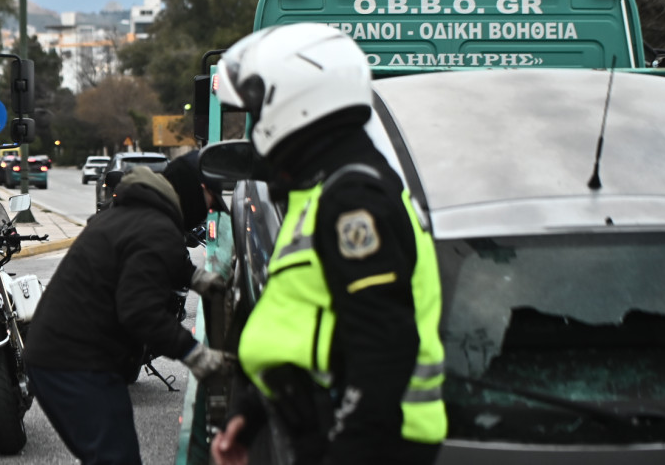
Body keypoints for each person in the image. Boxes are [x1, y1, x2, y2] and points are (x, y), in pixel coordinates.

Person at [210, 23, 446, 465]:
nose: (254, 127)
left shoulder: (353, 199)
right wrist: (250, 412)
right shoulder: (320, 191)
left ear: (295, 103)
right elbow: (303, 322)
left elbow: (383, 346)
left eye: (256, 112)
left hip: (372, 443)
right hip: (322, 427)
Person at [25, 151, 232, 465]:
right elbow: (140, 312)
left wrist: (195, 277)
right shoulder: (156, 226)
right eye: (211, 200)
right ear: (193, 188)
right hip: (72, 364)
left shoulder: (137, 211)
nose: (210, 210)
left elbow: (144, 256)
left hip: (69, 356)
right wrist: (195, 354)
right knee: (116, 459)